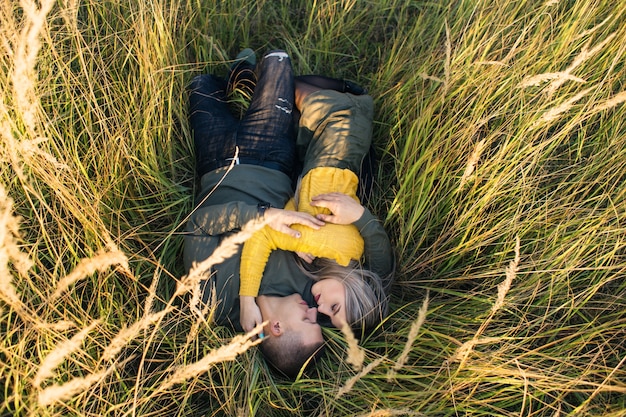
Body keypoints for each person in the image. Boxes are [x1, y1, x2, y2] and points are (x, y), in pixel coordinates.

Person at [183, 49, 327, 377]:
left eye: (308, 321)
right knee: (278, 60)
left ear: (275, 327)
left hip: (215, 162)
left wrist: (263, 216)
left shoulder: (214, 304)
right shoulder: (308, 287)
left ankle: (241, 78)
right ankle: (249, 76)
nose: (314, 313)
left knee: (201, 83)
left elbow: (198, 224)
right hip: (270, 154)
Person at [238, 75, 395, 332]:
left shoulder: (335, 262)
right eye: (334, 308)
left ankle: (349, 91)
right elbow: (263, 234)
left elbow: (381, 259)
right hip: (338, 133)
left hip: (324, 151)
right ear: (354, 290)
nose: (320, 309)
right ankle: (250, 71)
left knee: (289, 89)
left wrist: (293, 219)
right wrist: (247, 299)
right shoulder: (338, 250)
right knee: (277, 83)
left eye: (326, 317)